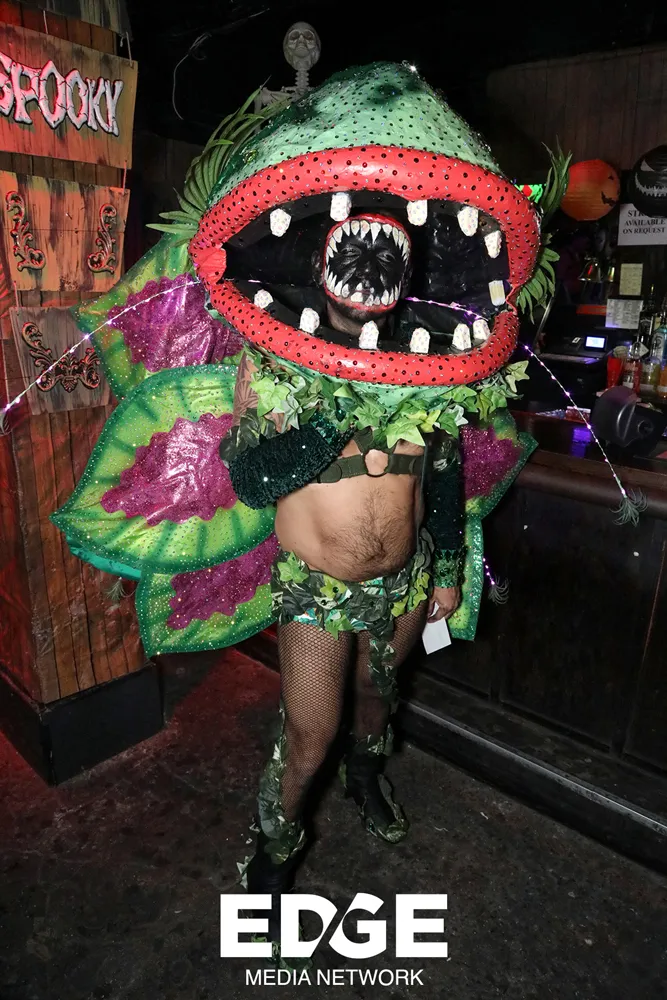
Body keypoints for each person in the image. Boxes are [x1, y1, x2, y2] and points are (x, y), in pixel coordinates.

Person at [227, 212, 465, 940]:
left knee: (376, 699)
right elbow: (252, 480)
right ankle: (274, 850)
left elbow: (444, 476)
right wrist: (337, 416)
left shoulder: (430, 358)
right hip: (316, 586)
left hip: (405, 581)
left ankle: (365, 777)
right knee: (310, 734)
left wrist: (447, 567)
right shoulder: (273, 358)